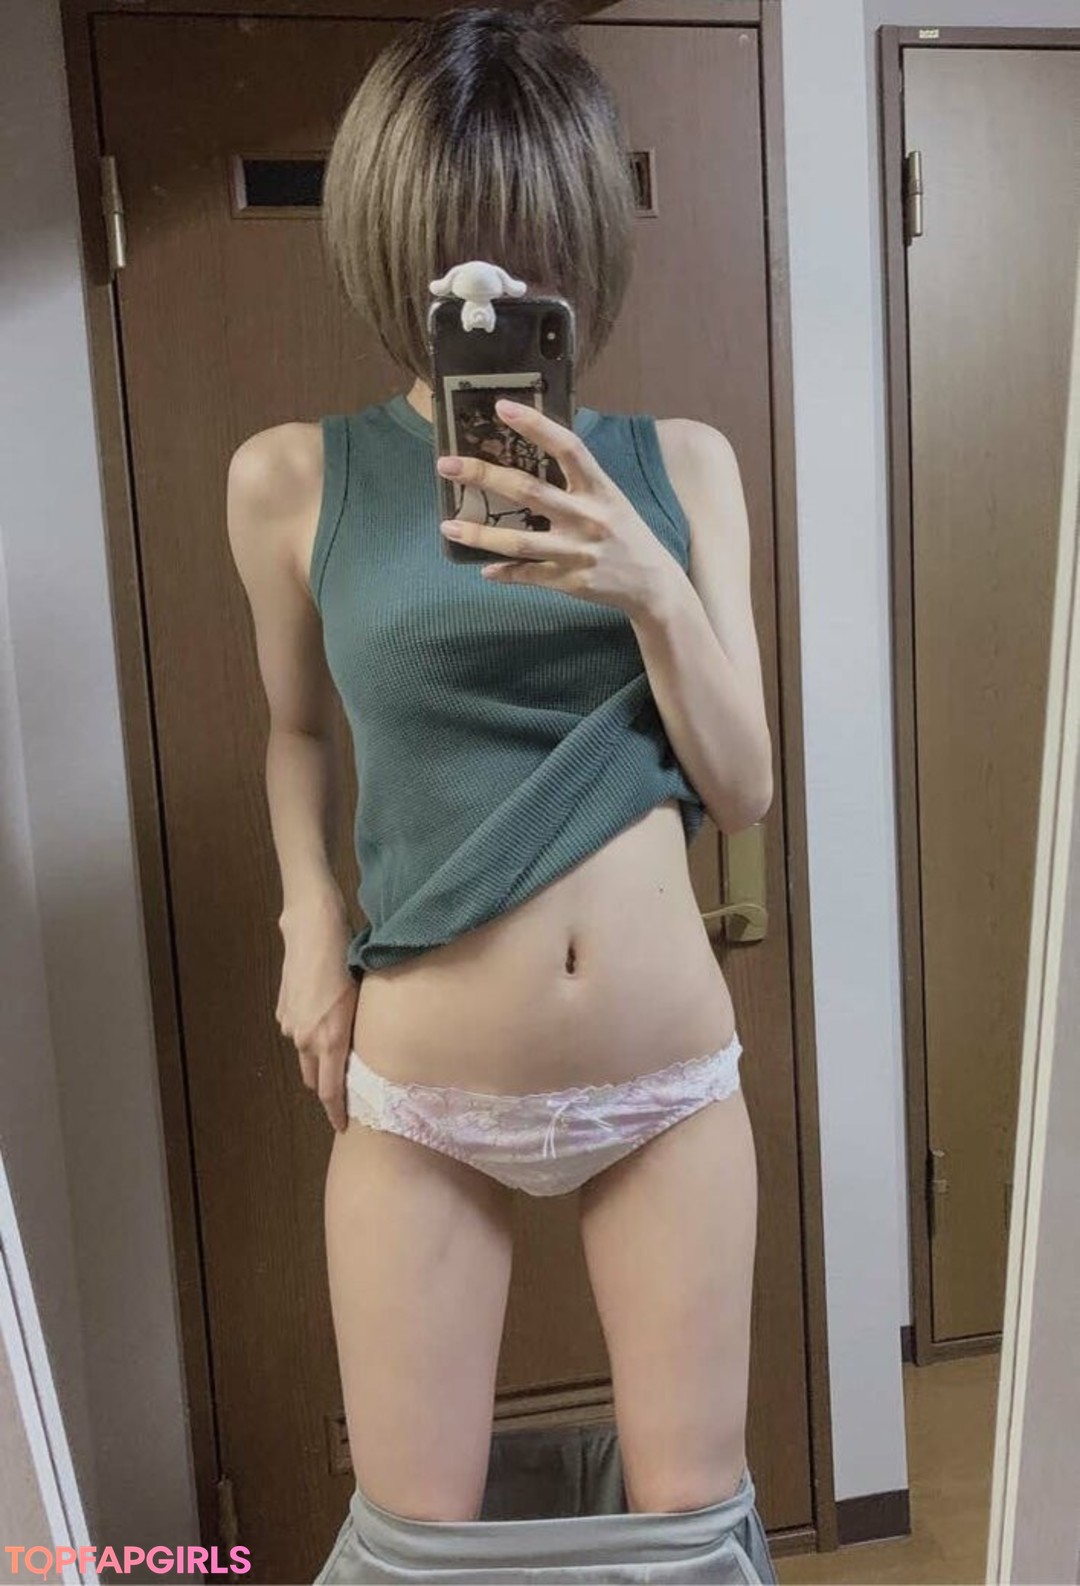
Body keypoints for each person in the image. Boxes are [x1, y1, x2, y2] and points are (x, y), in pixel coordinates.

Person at [226, 0, 772, 1546]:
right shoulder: (291, 478)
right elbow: (292, 731)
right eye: (453, 245)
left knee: (686, 1533)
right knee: (422, 1542)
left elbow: (742, 786)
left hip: (666, 1086)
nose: (490, 282)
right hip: (423, 1096)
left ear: (579, 242)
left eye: (526, 245)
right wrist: (309, 914)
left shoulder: (686, 464)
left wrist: (648, 581)